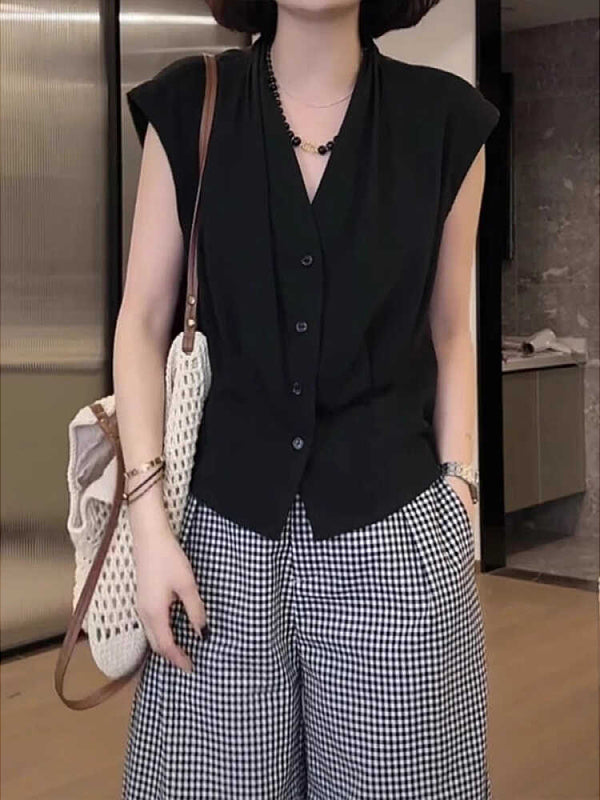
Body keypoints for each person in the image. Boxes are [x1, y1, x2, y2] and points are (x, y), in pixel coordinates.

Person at [117, 1, 500, 797]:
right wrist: (149, 528)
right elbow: (142, 323)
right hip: (214, 542)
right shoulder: (190, 103)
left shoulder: (445, 121)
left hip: (393, 531)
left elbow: (452, 329)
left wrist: (461, 487)